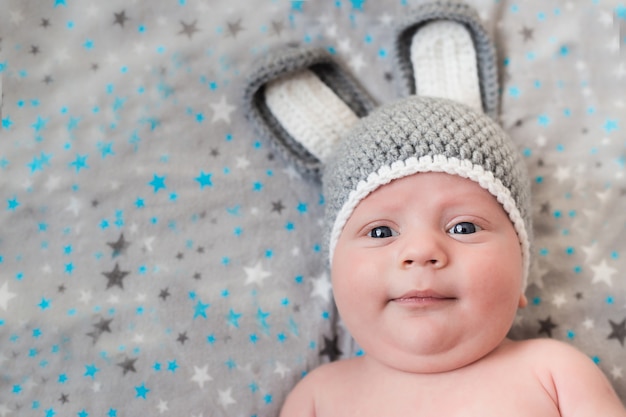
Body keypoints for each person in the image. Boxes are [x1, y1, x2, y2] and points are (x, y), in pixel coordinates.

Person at [278, 96, 626, 416]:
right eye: (381, 232)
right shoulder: (318, 398)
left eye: (464, 228)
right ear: (334, 274)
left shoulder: (555, 374)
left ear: (522, 270)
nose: (421, 251)